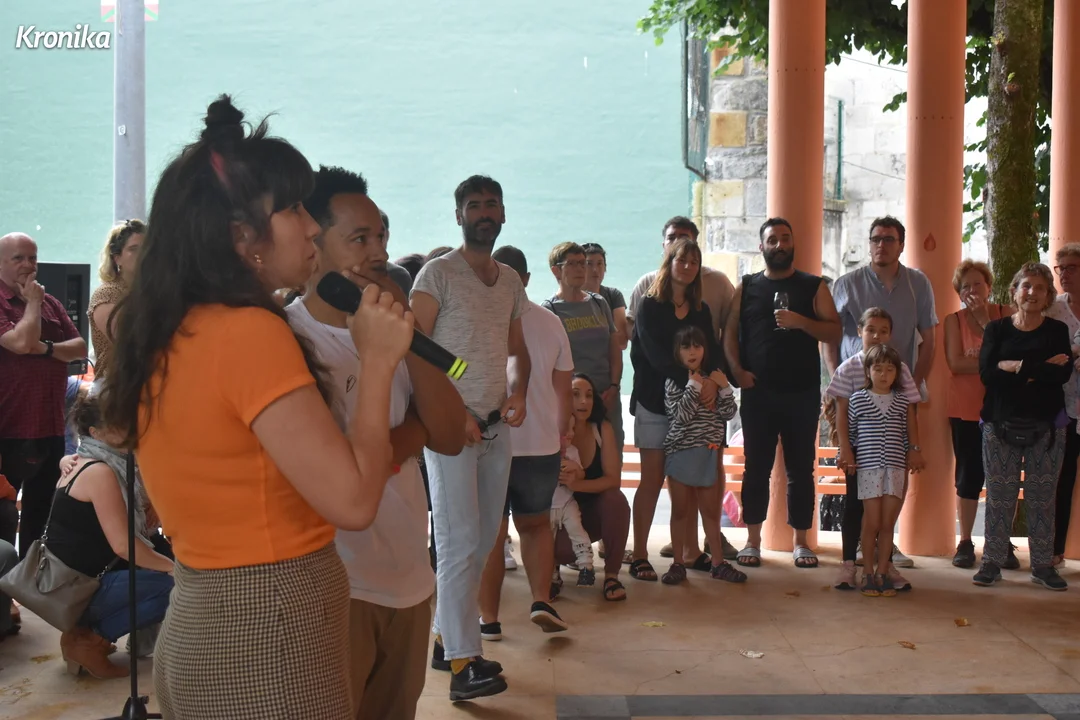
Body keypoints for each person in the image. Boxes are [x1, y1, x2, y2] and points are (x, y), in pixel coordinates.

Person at [100, 95, 414, 719]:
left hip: (203, 613)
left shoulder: (170, 326)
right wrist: (378, 362)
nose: (310, 227)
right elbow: (354, 503)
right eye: (292, 209)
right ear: (242, 236)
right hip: (268, 633)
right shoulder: (249, 332)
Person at [292, 165, 466, 720]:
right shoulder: (290, 339)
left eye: (382, 236)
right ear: (313, 243)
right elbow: (345, 469)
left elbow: (449, 434)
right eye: (360, 238)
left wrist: (410, 331)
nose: (379, 253)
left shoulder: (392, 326)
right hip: (339, 585)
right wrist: (411, 430)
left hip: (409, 575)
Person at [409, 175, 529, 701]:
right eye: (474, 205)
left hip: (496, 427)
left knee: (482, 542)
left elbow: (516, 350)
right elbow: (413, 348)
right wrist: (451, 412)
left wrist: (519, 390)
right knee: (458, 542)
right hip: (449, 431)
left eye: (491, 204)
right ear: (459, 216)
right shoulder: (437, 274)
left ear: (502, 214)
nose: (484, 213)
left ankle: (444, 639)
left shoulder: (509, 282)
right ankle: (464, 663)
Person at [724, 218, 841, 569]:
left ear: (793, 243)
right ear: (762, 246)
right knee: (755, 469)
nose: (779, 245)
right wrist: (737, 371)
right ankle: (752, 540)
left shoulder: (813, 286)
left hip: (801, 394)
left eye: (785, 238)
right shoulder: (746, 286)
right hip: (758, 394)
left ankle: (801, 542)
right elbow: (729, 333)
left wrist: (801, 321)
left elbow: (834, 331)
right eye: (772, 239)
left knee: (801, 470)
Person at [827, 216, 937, 569]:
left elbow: (929, 339)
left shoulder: (918, 283)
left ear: (901, 245)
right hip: (854, 399)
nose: (881, 245)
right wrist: (839, 379)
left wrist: (909, 386)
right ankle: (861, 547)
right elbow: (830, 336)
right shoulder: (846, 283)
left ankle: (885, 544)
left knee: (893, 473)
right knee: (858, 474)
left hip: (896, 397)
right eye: (876, 238)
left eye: (889, 239)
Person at [627, 216, 738, 564]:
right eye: (681, 260)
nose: (688, 266)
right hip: (655, 403)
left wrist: (714, 380)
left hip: (693, 407)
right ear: (669, 261)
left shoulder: (701, 308)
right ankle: (640, 554)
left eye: (694, 261)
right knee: (651, 480)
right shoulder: (649, 304)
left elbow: (713, 350)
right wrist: (695, 380)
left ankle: (689, 552)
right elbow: (654, 356)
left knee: (687, 481)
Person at [477, 245, 570, 642]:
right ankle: (541, 600)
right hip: (542, 443)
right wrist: (562, 435)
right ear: (527, 279)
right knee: (535, 526)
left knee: (492, 534)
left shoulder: (481, 317)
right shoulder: (551, 322)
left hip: (492, 441)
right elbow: (564, 389)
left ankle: (489, 620)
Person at [49, 390, 175, 678]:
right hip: (77, 588)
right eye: (119, 425)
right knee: (174, 587)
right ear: (96, 432)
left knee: (160, 558)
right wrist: (175, 569)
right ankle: (89, 640)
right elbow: (123, 545)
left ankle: (82, 634)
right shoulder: (100, 471)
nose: (130, 430)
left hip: (72, 582)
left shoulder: (90, 460)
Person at [975, 262, 1071, 591]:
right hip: (999, 423)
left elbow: (1062, 374)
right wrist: (1038, 369)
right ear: (1014, 291)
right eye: (1026, 286)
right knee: (999, 497)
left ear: (1048, 296)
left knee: (1042, 498)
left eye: (1040, 288)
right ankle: (992, 562)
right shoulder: (997, 330)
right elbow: (988, 375)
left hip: (1048, 426)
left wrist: (1014, 366)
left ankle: (1042, 565)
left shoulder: (1057, 331)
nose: (1032, 292)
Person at [0, 232, 87, 558]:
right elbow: (20, 342)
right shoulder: (14, 302)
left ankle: (29, 581)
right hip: (9, 429)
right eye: (18, 258)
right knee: (5, 517)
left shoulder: (51, 303)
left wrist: (45, 348)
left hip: (50, 426)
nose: (28, 265)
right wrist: (33, 304)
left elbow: (79, 348)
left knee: (40, 520)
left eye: (32, 258)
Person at [826, 308, 922, 591]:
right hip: (860, 450)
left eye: (883, 331)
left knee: (887, 512)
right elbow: (842, 414)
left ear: (890, 334)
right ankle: (849, 565)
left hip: (892, 452)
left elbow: (910, 412)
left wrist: (913, 448)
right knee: (854, 507)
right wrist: (845, 449)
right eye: (871, 330)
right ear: (860, 331)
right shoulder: (848, 368)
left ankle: (885, 566)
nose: (877, 336)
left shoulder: (899, 367)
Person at [943, 260, 1015, 569]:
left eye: (977, 284)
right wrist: (997, 364)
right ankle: (965, 541)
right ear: (958, 292)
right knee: (968, 477)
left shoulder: (1007, 314)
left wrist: (987, 323)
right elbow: (956, 363)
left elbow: (1016, 356)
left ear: (989, 286)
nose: (972, 290)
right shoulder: (953, 321)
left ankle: (1001, 541)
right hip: (965, 409)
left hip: (1004, 409)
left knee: (1004, 478)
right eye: (965, 286)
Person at [661, 326, 745, 585]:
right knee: (680, 511)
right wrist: (693, 386)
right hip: (680, 453)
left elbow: (728, 413)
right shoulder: (674, 382)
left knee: (710, 511)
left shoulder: (714, 379)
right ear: (677, 352)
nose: (692, 352)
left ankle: (718, 563)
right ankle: (678, 563)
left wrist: (724, 386)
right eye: (685, 347)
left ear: (705, 349)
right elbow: (681, 416)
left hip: (708, 454)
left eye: (697, 346)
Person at [845, 344, 919, 597]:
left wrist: (914, 451)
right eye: (878, 369)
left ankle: (883, 572)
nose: (884, 374)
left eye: (890, 369)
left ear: (897, 373)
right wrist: (845, 456)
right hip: (868, 470)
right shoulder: (858, 399)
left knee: (887, 523)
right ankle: (867, 573)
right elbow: (851, 435)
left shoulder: (902, 401)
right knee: (872, 522)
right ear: (868, 371)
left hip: (895, 469)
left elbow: (908, 435)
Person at [554, 374, 629, 601]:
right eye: (575, 395)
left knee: (616, 500)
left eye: (589, 395)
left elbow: (613, 480)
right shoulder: (550, 430)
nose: (583, 401)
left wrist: (577, 483)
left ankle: (612, 576)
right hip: (557, 518)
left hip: (591, 515)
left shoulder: (602, 428)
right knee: (560, 548)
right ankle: (551, 572)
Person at [545, 241, 623, 449]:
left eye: (582, 263)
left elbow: (614, 347)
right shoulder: (550, 310)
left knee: (611, 458)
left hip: (606, 396)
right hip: (572, 401)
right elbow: (548, 364)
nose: (580, 269)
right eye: (572, 264)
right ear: (556, 270)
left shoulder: (599, 303)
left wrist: (614, 386)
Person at [1046, 244, 1080, 567]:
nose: (1064, 274)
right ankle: (1054, 552)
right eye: (1061, 268)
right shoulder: (1053, 309)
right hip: (1063, 409)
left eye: (1072, 268)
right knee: (1061, 479)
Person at [88, 220, 144, 382]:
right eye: (134, 249)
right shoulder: (106, 294)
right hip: (114, 387)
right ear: (117, 258)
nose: (143, 254)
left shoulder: (153, 292)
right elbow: (129, 339)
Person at [552, 437, 594, 588]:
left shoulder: (572, 451)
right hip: (546, 506)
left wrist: (575, 467)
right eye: (564, 431)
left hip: (567, 502)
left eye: (571, 429)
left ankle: (586, 566)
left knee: (577, 530)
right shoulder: (542, 449)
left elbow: (582, 475)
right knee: (546, 542)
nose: (570, 434)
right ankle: (551, 577)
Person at [582, 242, 629, 349]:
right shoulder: (573, 298)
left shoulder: (613, 295)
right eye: (589, 264)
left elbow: (622, 341)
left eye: (599, 264)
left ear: (605, 267)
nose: (595, 270)